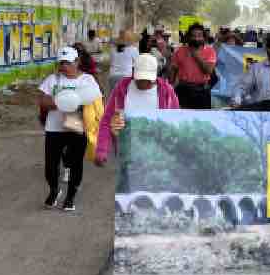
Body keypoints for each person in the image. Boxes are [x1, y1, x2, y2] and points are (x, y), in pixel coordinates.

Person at [38, 47, 102, 211]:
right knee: (50, 166)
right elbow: (43, 101)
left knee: (75, 164)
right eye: (61, 63)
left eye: (67, 63)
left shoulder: (87, 80)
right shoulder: (53, 80)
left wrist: (76, 104)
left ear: (77, 62)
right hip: (54, 128)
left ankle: (70, 196)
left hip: (77, 126)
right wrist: (61, 102)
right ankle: (54, 190)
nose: (64, 66)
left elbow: (96, 99)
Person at [94, 54, 180, 165]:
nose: (144, 83)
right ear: (133, 71)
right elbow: (107, 120)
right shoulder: (122, 88)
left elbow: (176, 121)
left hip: (158, 156)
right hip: (127, 154)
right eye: (140, 79)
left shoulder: (167, 92)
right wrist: (102, 150)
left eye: (148, 79)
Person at [168, 22, 217, 110]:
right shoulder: (180, 51)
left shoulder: (210, 51)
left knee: (202, 120)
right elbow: (173, 69)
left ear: (203, 37)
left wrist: (196, 55)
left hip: (202, 92)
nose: (196, 38)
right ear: (189, 37)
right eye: (193, 36)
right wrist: (171, 85)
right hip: (183, 91)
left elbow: (208, 71)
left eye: (199, 35)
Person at [231, 32, 270, 107]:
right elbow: (241, 88)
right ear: (269, 50)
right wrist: (236, 101)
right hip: (261, 113)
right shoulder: (256, 68)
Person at [107, 31, 139, 97]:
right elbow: (137, 63)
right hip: (126, 76)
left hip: (113, 76)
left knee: (114, 98)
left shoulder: (113, 50)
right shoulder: (133, 49)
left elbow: (111, 61)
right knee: (125, 99)